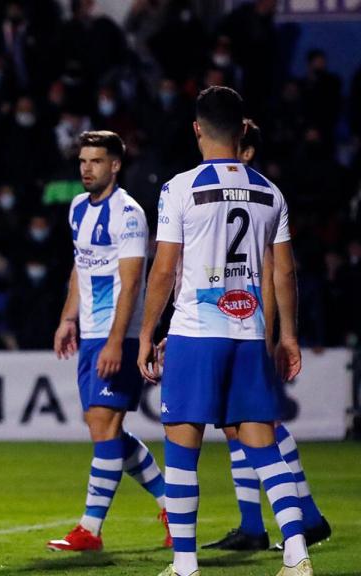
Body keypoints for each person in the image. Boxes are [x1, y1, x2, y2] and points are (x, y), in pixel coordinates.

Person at [138, 86, 312, 576]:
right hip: (250, 333)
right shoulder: (269, 192)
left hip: (196, 331)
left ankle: (185, 564)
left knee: (181, 445)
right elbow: (284, 272)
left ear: (197, 129)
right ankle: (297, 554)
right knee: (262, 442)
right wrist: (288, 336)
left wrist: (149, 331)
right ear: (242, 130)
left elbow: (164, 268)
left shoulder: (179, 188)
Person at [199, 119, 330, 552]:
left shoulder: (260, 198)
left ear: (247, 151)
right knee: (240, 426)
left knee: (259, 424)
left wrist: (269, 336)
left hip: (249, 329)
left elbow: (273, 275)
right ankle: (259, 524)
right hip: (240, 326)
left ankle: (301, 519)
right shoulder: (244, 197)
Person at [46, 131, 170, 552]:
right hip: (91, 333)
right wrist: (67, 318)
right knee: (104, 427)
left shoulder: (130, 214)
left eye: (96, 161)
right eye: (83, 160)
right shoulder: (78, 208)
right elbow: (81, 267)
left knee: (104, 426)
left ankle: (90, 529)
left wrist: (120, 342)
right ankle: (173, 503)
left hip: (120, 333)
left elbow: (132, 282)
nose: (86, 168)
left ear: (115, 165)